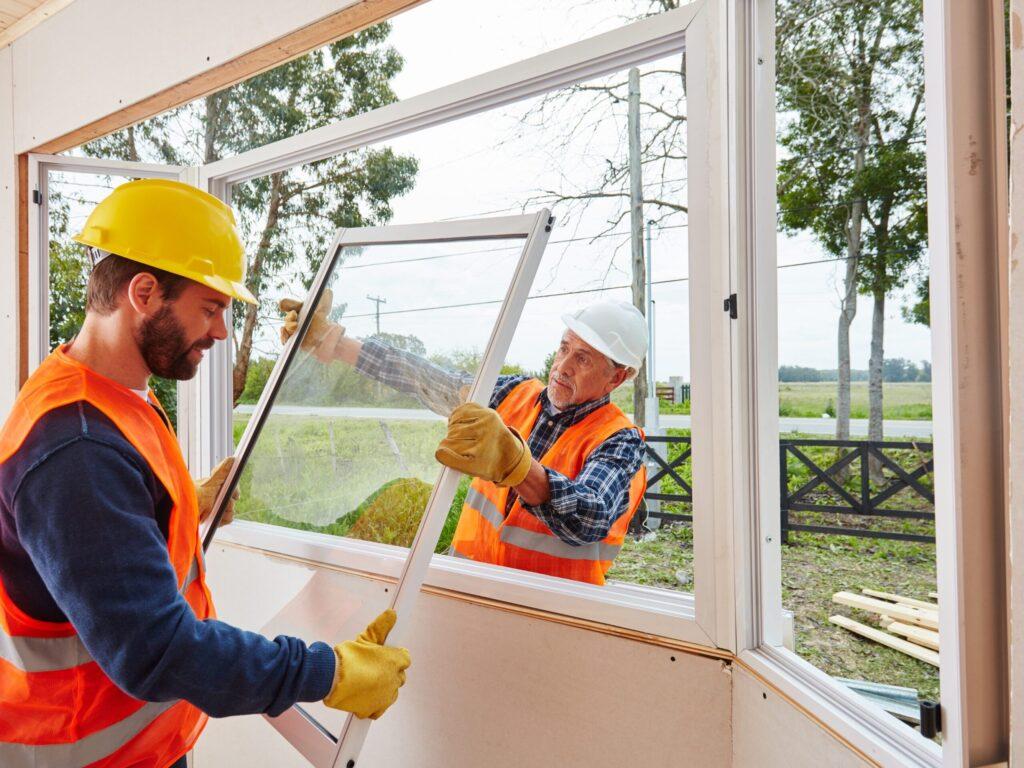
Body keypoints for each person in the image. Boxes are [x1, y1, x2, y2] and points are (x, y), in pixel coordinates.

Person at [0, 180, 410, 768]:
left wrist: (177, 505)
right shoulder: (76, 448)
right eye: (211, 308)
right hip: (88, 753)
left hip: (140, 742)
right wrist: (328, 671)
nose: (221, 332)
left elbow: (96, 540)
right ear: (144, 293)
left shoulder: (112, 394)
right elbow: (156, 650)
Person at [280, 293, 648, 585]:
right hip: (468, 587)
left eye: (583, 359)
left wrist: (517, 466)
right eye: (564, 348)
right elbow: (426, 379)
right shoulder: (512, 394)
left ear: (617, 378)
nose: (563, 367)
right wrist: (336, 345)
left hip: (548, 616)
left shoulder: (619, 440)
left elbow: (589, 516)